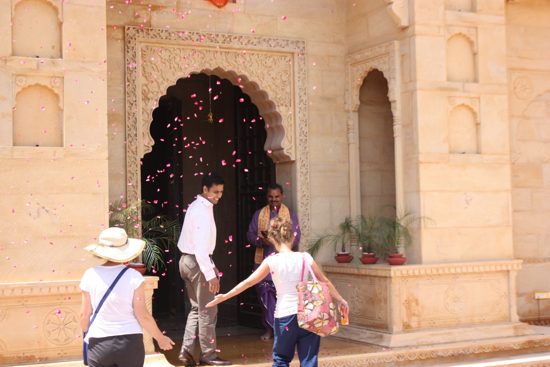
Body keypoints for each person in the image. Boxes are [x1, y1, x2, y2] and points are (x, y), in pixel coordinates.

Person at [208, 217, 349, 367]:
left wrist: (224, 296)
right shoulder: (305, 258)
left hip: (285, 316)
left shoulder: (271, 261)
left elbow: (248, 282)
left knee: (281, 360)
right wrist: (341, 300)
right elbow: (325, 281)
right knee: (309, 360)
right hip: (309, 314)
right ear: (293, 237)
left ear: (272, 240)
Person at [80, 227, 175, 367]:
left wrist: (87, 335)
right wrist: (160, 339)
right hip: (129, 342)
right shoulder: (134, 276)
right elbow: (143, 315)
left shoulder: (90, 275)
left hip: (99, 342)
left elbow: (84, 315)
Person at [176, 172, 231, 366]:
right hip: (196, 263)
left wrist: (212, 267)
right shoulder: (201, 210)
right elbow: (200, 249)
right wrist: (211, 274)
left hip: (188, 261)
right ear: (205, 189)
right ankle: (208, 355)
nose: (218, 195)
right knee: (208, 310)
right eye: (215, 191)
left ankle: (186, 351)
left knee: (196, 308)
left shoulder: (199, 206)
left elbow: (200, 248)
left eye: (221, 192)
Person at [246, 183, 301, 342]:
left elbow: (296, 237)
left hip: (285, 263)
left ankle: (286, 331)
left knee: (286, 298)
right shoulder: (259, 214)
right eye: (271, 197)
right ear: (267, 197)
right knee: (266, 297)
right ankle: (269, 329)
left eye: (277, 196)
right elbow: (250, 235)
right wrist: (262, 241)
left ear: (282, 196)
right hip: (265, 261)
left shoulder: (290, 215)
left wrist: (280, 241)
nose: (274, 199)